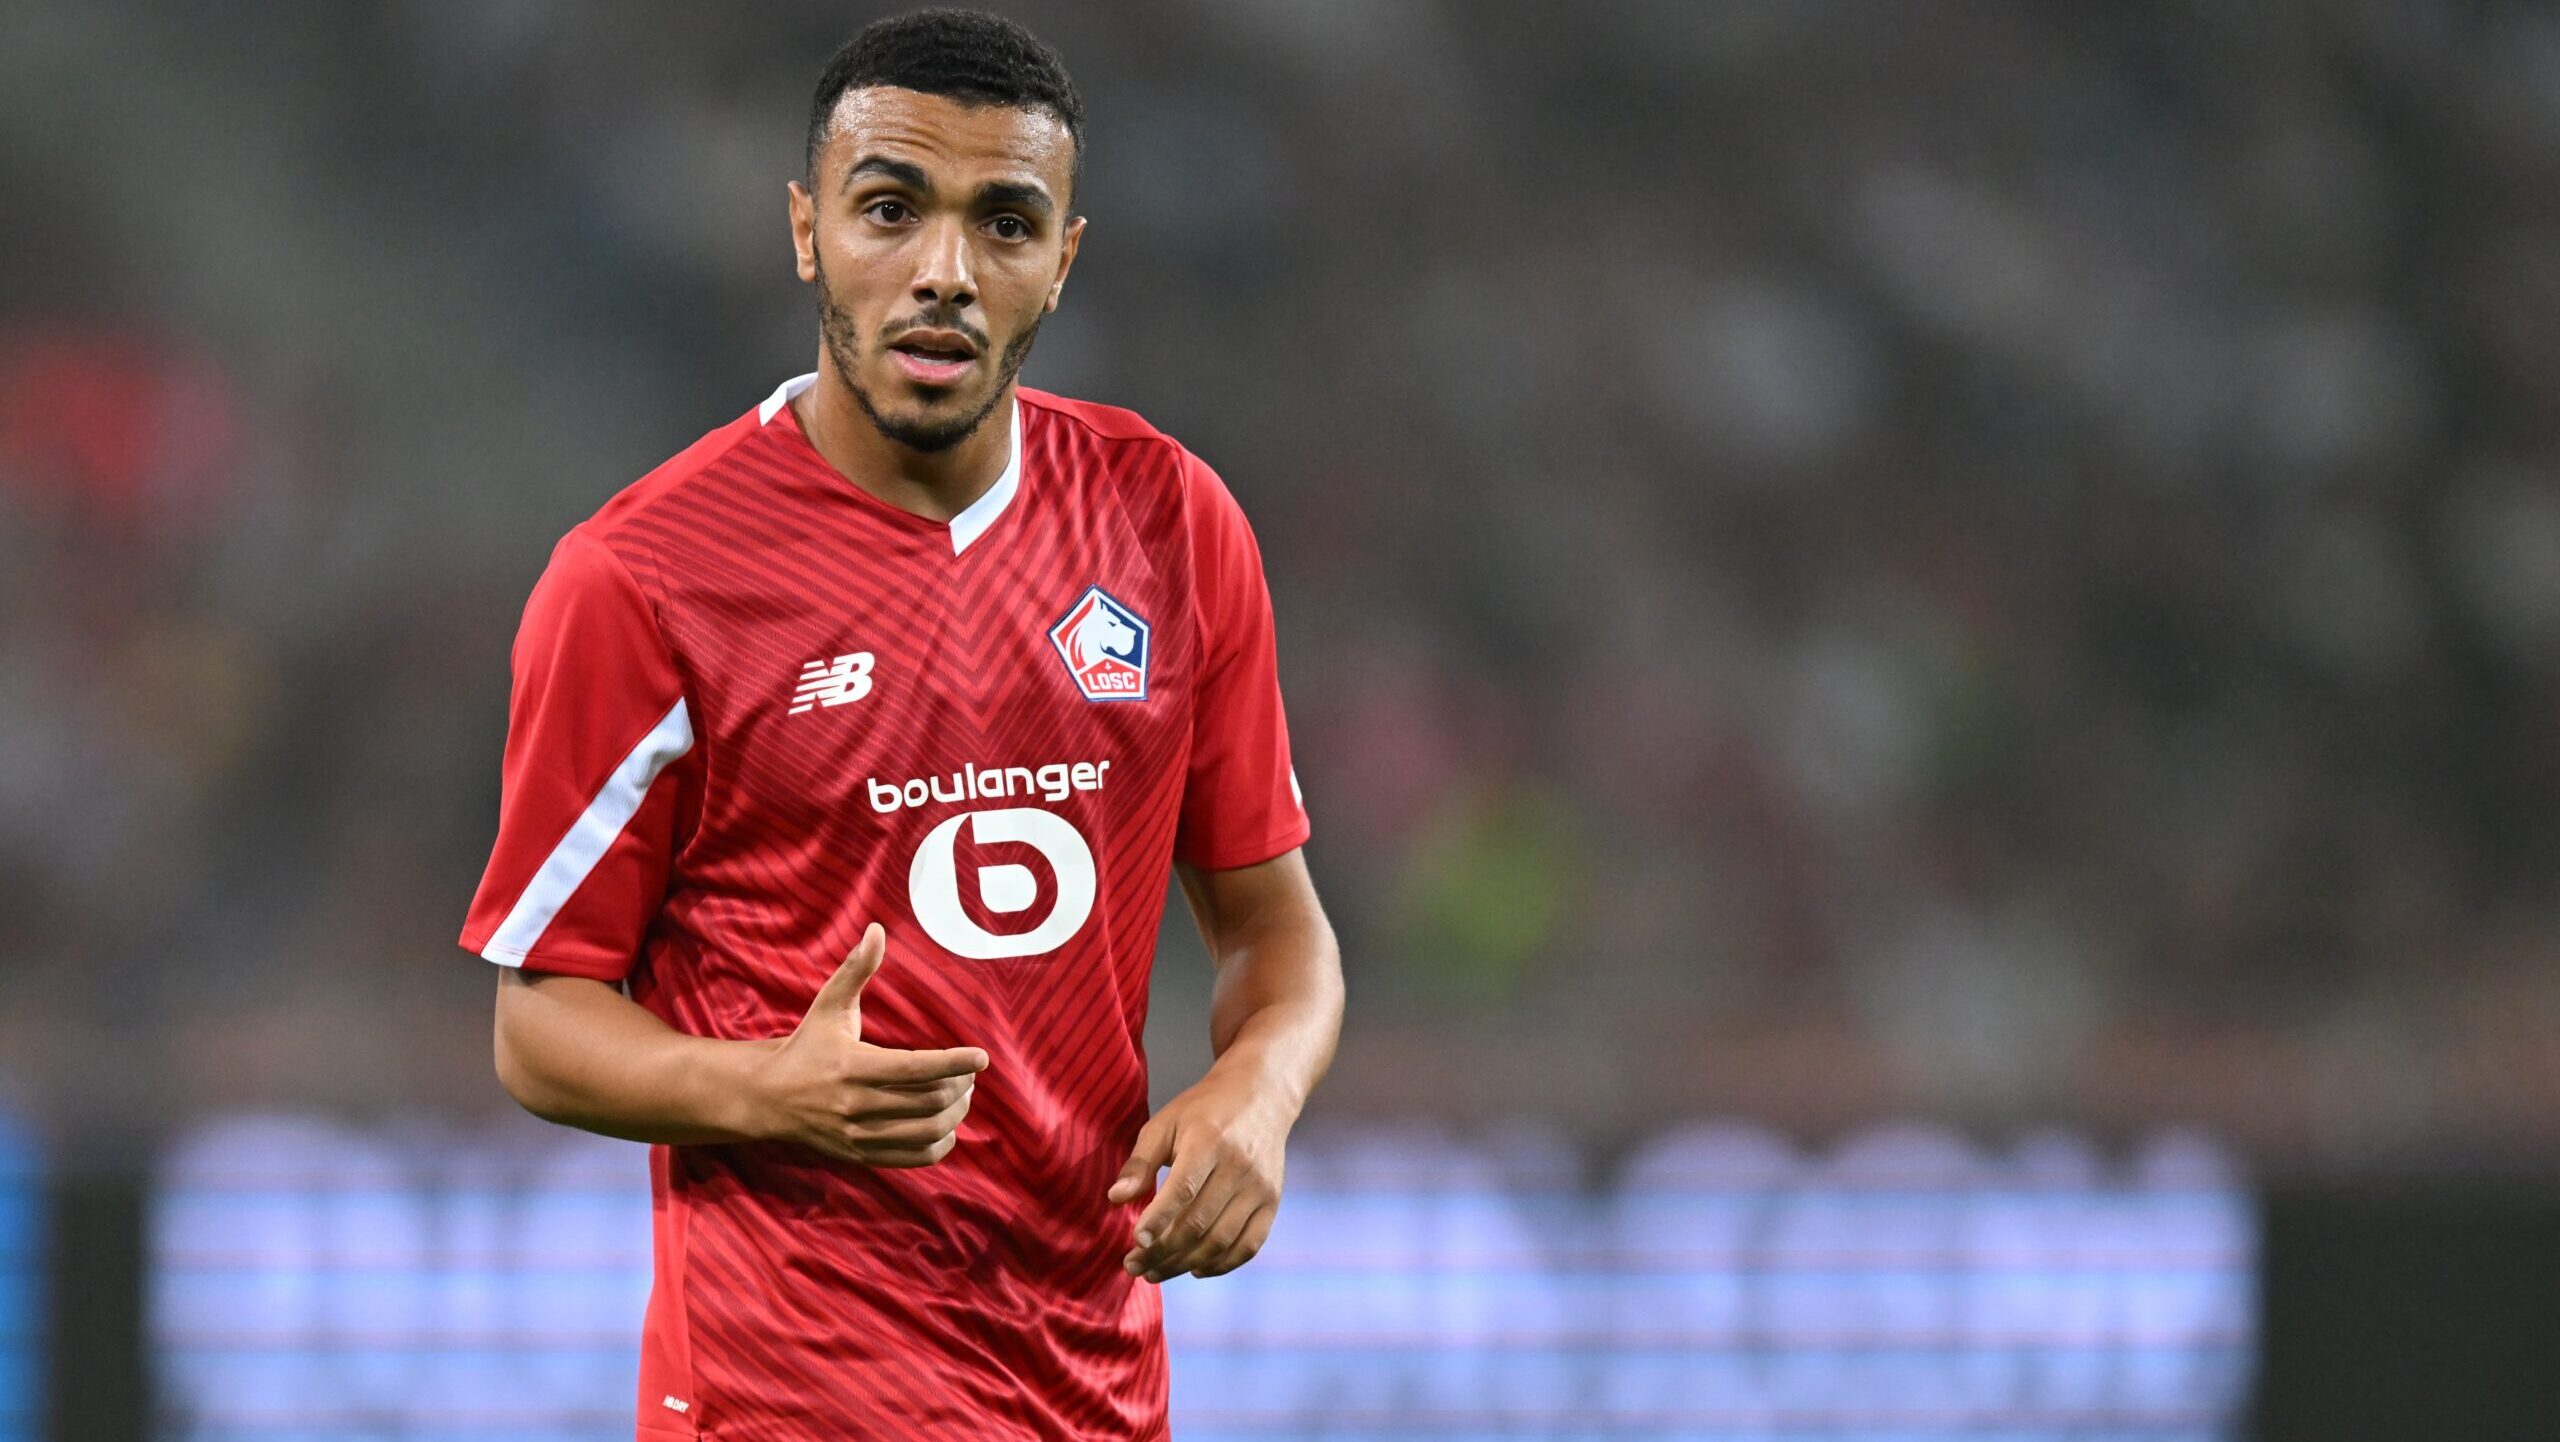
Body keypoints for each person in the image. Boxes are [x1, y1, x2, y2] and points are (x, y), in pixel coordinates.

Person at [456, 10, 1344, 1438]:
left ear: (1064, 257)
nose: (943, 272)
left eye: (1004, 222)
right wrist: (764, 1090)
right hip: (783, 1394)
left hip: (1094, 1391)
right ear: (808, 232)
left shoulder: (1168, 519)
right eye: (890, 209)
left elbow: (1276, 931)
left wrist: (1258, 1087)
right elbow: (539, 1023)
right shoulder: (644, 578)